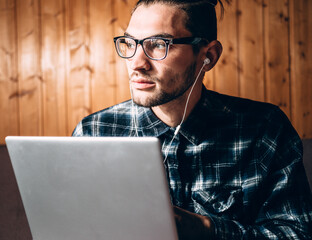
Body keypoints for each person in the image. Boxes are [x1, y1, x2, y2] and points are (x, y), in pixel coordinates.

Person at [72, 0, 312, 239]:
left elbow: (296, 234)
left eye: (158, 45)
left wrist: (206, 229)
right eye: (130, 43)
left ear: (208, 55)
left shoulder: (265, 130)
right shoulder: (93, 132)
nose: (136, 63)